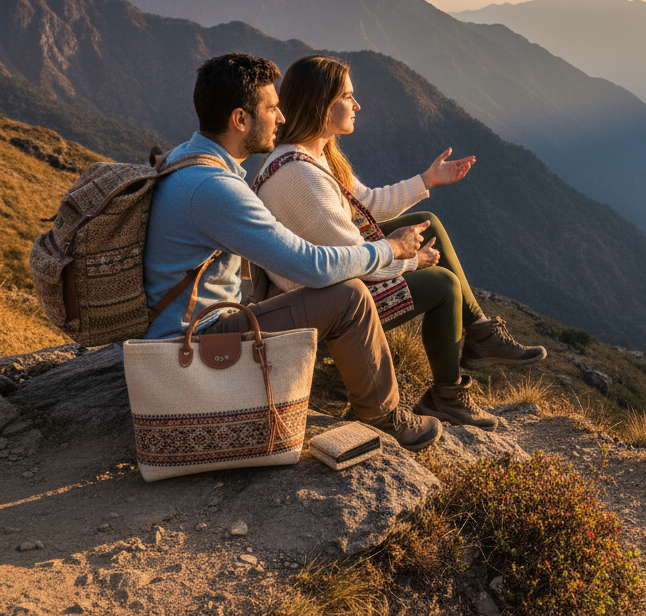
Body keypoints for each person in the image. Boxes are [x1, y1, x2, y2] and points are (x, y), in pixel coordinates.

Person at [142, 52, 442, 451]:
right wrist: (391, 249)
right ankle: (383, 417)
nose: (281, 118)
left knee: (337, 289)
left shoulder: (186, 157)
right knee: (347, 296)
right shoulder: (213, 188)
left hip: (188, 330)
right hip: (195, 345)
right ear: (240, 120)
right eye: (271, 108)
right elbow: (312, 267)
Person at [251, 54, 546, 432]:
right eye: (347, 97)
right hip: (323, 298)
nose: (357, 105)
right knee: (442, 285)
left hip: (329, 279)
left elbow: (367, 203)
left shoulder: (312, 155)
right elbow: (351, 262)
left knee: (430, 225)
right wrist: (411, 260)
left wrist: (427, 180)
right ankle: (447, 396)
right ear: (323, 106)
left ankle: (480, 332)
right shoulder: (302, 178)